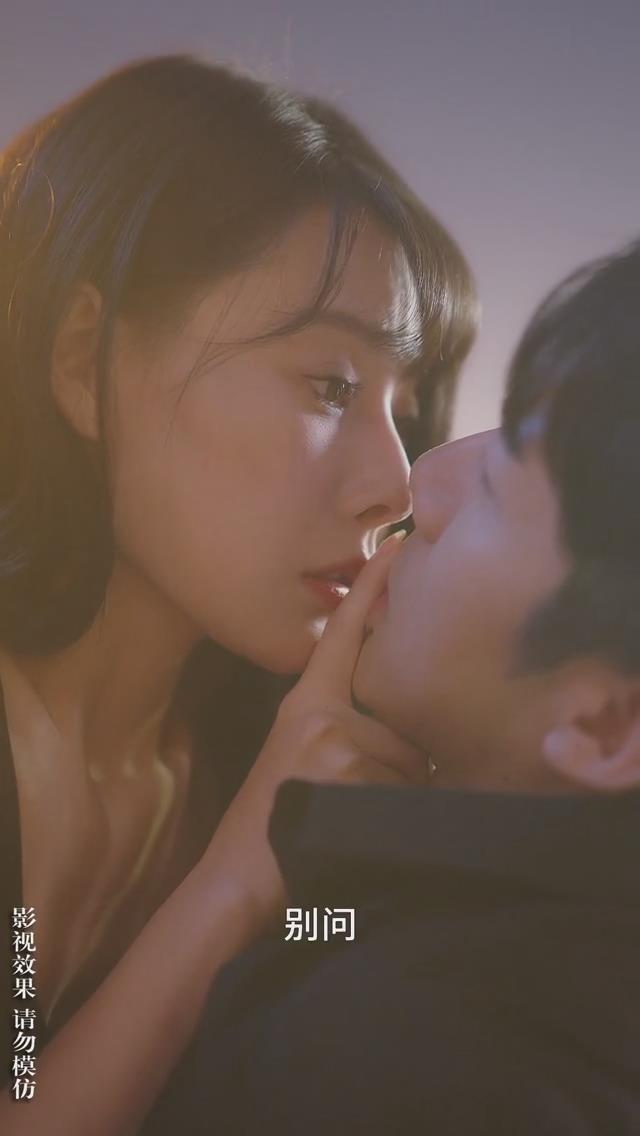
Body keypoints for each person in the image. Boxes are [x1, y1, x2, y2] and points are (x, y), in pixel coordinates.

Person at [0, 53, 477, 1132]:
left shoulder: (254, 741)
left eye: (403, 412)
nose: (395, 481)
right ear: (80, 362)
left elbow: (311, 935)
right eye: (328, 385)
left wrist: (374, 887)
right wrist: (227, 884)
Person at [147, 241, 640, 1135]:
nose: (417, 480)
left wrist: (234, 882)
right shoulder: (473, 918)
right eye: (332, 387)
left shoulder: (397, 1057)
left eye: (496, 485)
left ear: (607, 723)